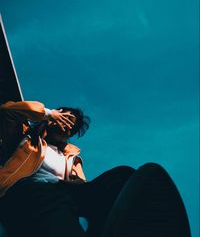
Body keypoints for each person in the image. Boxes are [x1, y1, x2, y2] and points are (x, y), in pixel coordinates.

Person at [0, 100, 191, 237]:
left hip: (65, 191)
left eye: (72, 128)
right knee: (55, 204)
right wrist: (50, 113)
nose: (67, 127)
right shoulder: (27, 138)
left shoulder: (72, 158)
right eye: (66, 119)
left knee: (121, 175)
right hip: (29, 191)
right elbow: (8, 110)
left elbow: (83, 184)